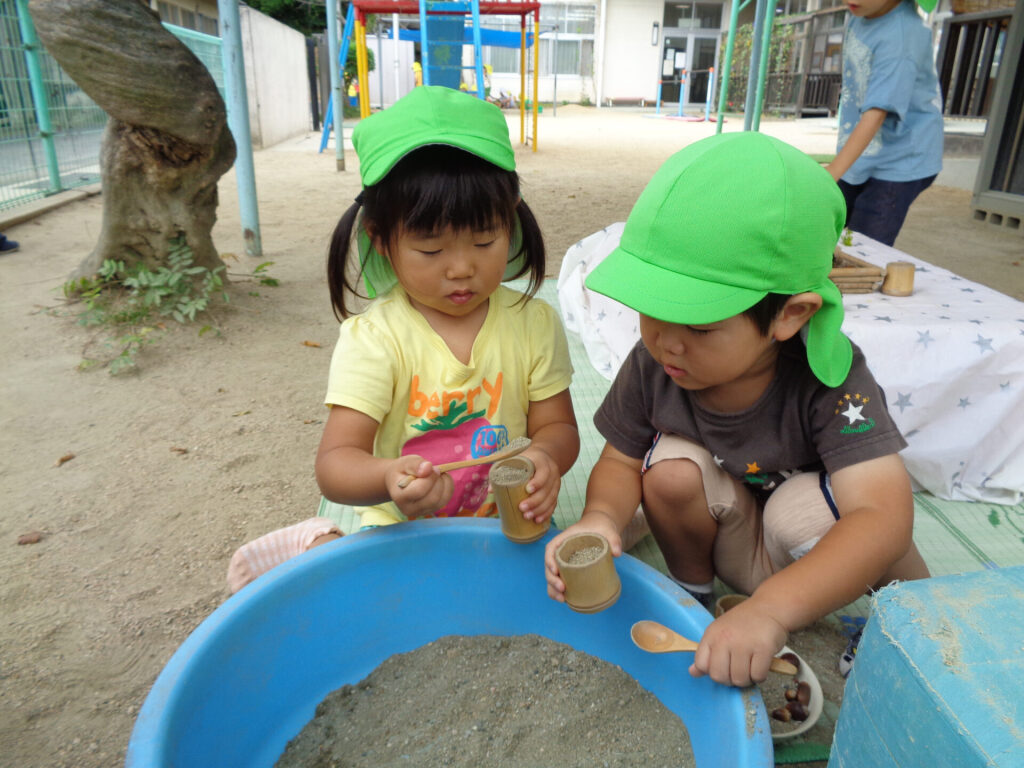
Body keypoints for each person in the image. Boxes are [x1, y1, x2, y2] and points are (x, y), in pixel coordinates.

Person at [543, 132, 930, 687]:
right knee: (670, 468)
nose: (667, 343)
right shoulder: (656, 363)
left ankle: (904, 624)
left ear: (790, 315)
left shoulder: (830, 380)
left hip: (814, 561)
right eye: (652, 310)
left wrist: (771, 609)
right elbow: (621, 462)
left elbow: (885, 521)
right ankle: (694, 596)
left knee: (803, 506)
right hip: (733, 541)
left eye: (699, 325)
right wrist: (602, 517)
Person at [228, 86, 580, 593]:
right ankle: (312, 541)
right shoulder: (375, 339)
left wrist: (545, 458)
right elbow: (335, 464)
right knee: (371, 599)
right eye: (430, 248)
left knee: (562, 578)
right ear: (380, 238)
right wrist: (388, 476)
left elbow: (558, 428)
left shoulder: (532, 322)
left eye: (484, 241)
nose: (462, 268)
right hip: (401, 529)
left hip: (506, 522)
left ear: (513, 216)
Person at [825, 0, 943, 246]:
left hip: (899, 162)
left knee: (862, 246)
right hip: (862, 154)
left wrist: (832, 172)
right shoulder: (862, 12)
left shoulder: (901, 37)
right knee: (825, 229)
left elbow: (876, 114)